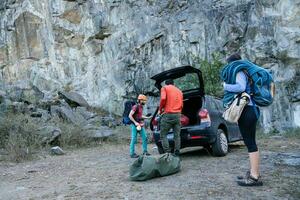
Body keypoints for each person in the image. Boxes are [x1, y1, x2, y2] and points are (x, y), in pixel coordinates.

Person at [223, 53, 262, 186]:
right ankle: (253, 172)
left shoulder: (239, 71)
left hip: (246, 110)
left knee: (250, 143)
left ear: (232, 63)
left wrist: (225, 86)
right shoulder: (246, 72)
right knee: (251, 142)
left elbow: (240, 87)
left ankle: (254, 177)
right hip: (251, 109)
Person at [158, 79, 183, 156]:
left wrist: (160, 109)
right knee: (177, 135)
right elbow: (182, 104)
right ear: (173, 83)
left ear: (166, 84)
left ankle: (167, 153)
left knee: (163, 135)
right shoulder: (179, 91)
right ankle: (177, 152)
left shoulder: (164, 88)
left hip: (168, 114)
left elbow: (163, 99)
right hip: (178, 114)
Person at [128, 94, 151, 158]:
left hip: (140, 125)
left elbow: (140, 116)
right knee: (134, 139)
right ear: (140, 100)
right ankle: (132, 153)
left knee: (145, 138)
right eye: (144, 100)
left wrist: (147, 117)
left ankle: (145, 151)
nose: (145, 102)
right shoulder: (135, 107)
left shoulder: (141, 107)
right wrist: (135, 123)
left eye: (145, 100)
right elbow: (130, 115)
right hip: (135, 125)